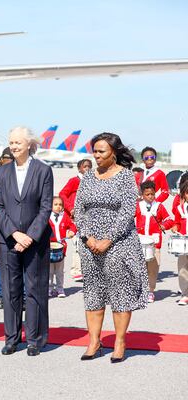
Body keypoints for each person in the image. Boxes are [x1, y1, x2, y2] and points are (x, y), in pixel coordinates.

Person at [74, 132, 148, 363]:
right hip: (90, 245)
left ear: (113, 153)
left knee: (120, 293)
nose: (96, 156)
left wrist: (108, 239)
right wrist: (87, 238)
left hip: (119, 244)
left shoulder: (126, 177)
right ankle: (94, 341)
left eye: (101, 151)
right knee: (93, 293)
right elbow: (79, 209)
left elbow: (127, 211)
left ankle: (119, 341)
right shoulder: (88, 177)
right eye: (94, 151)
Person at [0, 126, 53, 357]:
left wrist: (29, 236)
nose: (14, 146)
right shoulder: (1, 172)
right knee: (10, 290)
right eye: (11, 142)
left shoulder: (43, 171)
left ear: (29, 144)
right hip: (7, 239)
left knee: (35, 289)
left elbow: (46, 207)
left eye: (18, 142)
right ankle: (12, 338)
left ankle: (35, 339)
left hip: (35, 240)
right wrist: (14, 234)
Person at [135, 180, 174, 303]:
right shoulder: (138, 206)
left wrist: (164, 225)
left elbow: (169, 220)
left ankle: (150, 291)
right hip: (140, 242)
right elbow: (129, 219)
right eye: (147, 194)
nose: (150, 197)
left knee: (153, 268)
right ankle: (140, 290)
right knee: (139, 268)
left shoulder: (159, 206)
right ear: (142, 194)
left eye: (152, 194)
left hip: (154, 242)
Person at [59, 158, 92, 282]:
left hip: (87, 218)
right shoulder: (74, 181)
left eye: (89, 166)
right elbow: (62, 194)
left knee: (86, 244)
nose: (87, 169)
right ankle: (76, 271)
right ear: (79, 168)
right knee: (77, 244)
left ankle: (86, 271)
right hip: (74, 218)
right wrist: (70, 208)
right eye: (85, 166)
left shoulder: (92, 182)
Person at [0, 147, 14, 309]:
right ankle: (6, 295)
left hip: (0, 221)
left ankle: (1, 295)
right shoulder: (10, 175)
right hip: (7, 222)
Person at [48, 196, 76, 298]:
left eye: (60, 205)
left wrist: (72, 231)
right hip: (49, 248)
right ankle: (50, 288)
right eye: (55, 204)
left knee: (59, 271)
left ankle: (60, 289)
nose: (58, 207)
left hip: (61, 249)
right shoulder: (47, 217)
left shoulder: (64, 216)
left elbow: (73, 225)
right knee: (49, 271)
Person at [170, 177, 188, 306]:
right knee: (182, 269)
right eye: (187, 192)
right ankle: (185, 293)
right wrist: (175, 227)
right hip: (183, 241)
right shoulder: (180, 208)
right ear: (183, 194)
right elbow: (176, 222)